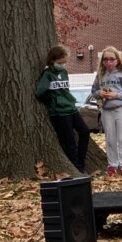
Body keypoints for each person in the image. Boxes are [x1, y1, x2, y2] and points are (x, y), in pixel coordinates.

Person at [36, 45, 91, 175]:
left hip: (71, 108)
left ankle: (81, 163)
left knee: (85, 131)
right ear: (53, 60)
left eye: (64, 63)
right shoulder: (48, 74)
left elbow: (65, 90)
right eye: (60, 63)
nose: (63, 65)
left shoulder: (64, 72)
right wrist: (53, 100)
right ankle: (76, 167)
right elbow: (40, 92)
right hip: (59, 112)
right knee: (69, 140)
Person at [91, 46, 122, 176]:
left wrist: (117, 95)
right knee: (110, 138)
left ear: (117, 61)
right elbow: (94, 91)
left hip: (120, 109)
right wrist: (100, 93)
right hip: (106, 110)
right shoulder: (100, 76)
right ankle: (112, 164)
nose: (108, 62)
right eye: (105, 60)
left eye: (111, 59)